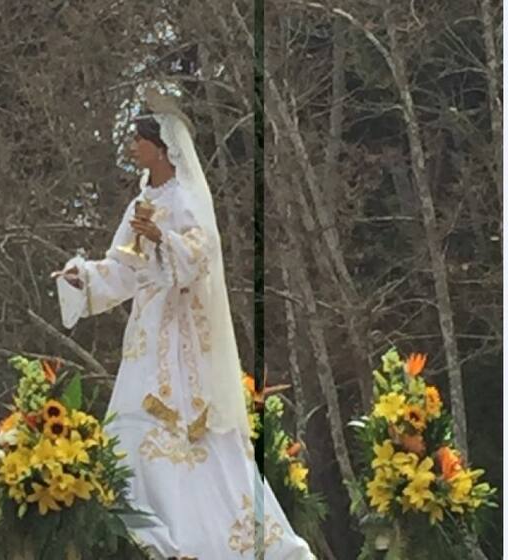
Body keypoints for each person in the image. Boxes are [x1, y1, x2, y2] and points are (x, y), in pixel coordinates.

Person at [55, 90, 314, 559]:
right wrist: (83, 277)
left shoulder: (186, 197)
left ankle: (213, 539)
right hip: (146, 332)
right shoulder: (141, 202)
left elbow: (201, 255)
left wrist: (163, 239)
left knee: (192, 433)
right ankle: (143, 535)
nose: (132, 147)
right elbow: (124, 267)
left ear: (161, 147)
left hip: (181, 338)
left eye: (138, 139)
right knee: (133, 423)